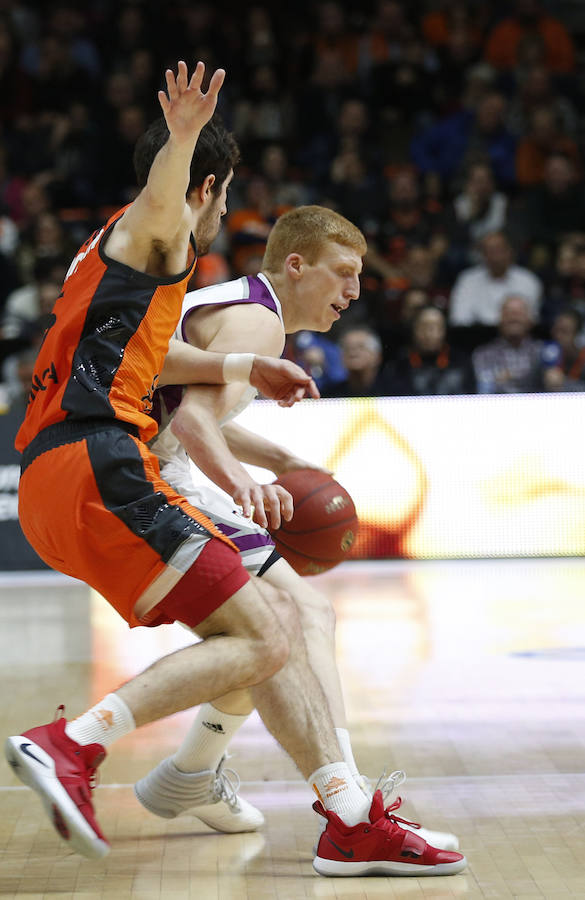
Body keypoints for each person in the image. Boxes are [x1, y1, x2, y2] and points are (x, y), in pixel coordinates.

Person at [5, 61, 465, 878]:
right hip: (111, 465)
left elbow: (150, 364)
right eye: (220, 198)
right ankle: (80, 746)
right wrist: (183, 140)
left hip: (58, 476)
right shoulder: (166, 233)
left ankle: (247, 788)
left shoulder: (103, 265)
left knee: (275, 625)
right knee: (282, 624)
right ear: (207, 190)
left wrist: (237, 377)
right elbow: (183, 411)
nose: (222, 216)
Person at [133, 208, 458, 856]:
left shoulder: (243, 310)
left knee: (269, 633)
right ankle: (351, 801)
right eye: (343, 273)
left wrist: (277, 461)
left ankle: (191, 773)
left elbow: (182, 411)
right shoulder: (258, 319)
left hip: (149, 460)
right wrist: (242, 484)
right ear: (294, 265)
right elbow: (193, 425)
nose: (354, 291)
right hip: (146, 474)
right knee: (302, 614)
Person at [449, 231, 542, 326]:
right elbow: (459, 319)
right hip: (476, 337)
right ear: (482, 255)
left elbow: (531, 320)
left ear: (510, 251)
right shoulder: (467, 280)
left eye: (499, 250)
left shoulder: (528, 281)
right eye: (489, 251)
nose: (495, 257)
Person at [380, 305, 476, 396]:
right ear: (413, 329)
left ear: (445, 330)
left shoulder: (461, 363)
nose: (430, 333)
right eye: (424, 326)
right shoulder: (397, 366)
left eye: (437, 326)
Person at [472, 294, 543, 393]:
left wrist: (508, 378)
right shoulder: (483, 354)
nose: (514, 318)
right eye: (508, 313)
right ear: (499, 319)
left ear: (530, 320)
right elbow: (483, 390)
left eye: (519, 313)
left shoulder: (542, 351)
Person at [323, 325, 385, 397]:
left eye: (361, 347)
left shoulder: (394, 394)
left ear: (377, 356)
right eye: (347, 348)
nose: (353, 353)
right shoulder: (330, 397)